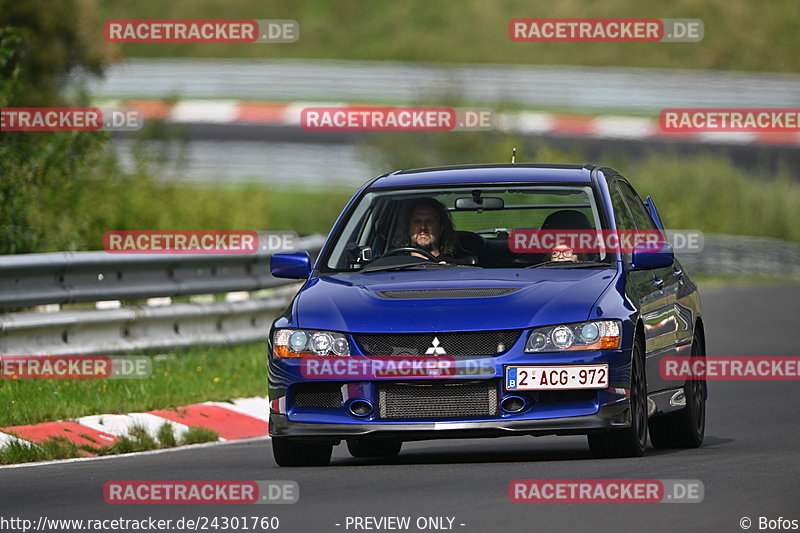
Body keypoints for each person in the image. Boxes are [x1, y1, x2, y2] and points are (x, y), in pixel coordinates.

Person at [392, 197, 458, 261]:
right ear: (408, 227)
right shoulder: (394, 266)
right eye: (417, 221)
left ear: (441, 227)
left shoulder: (457, 266)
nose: (423, 227)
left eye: (430, 221)